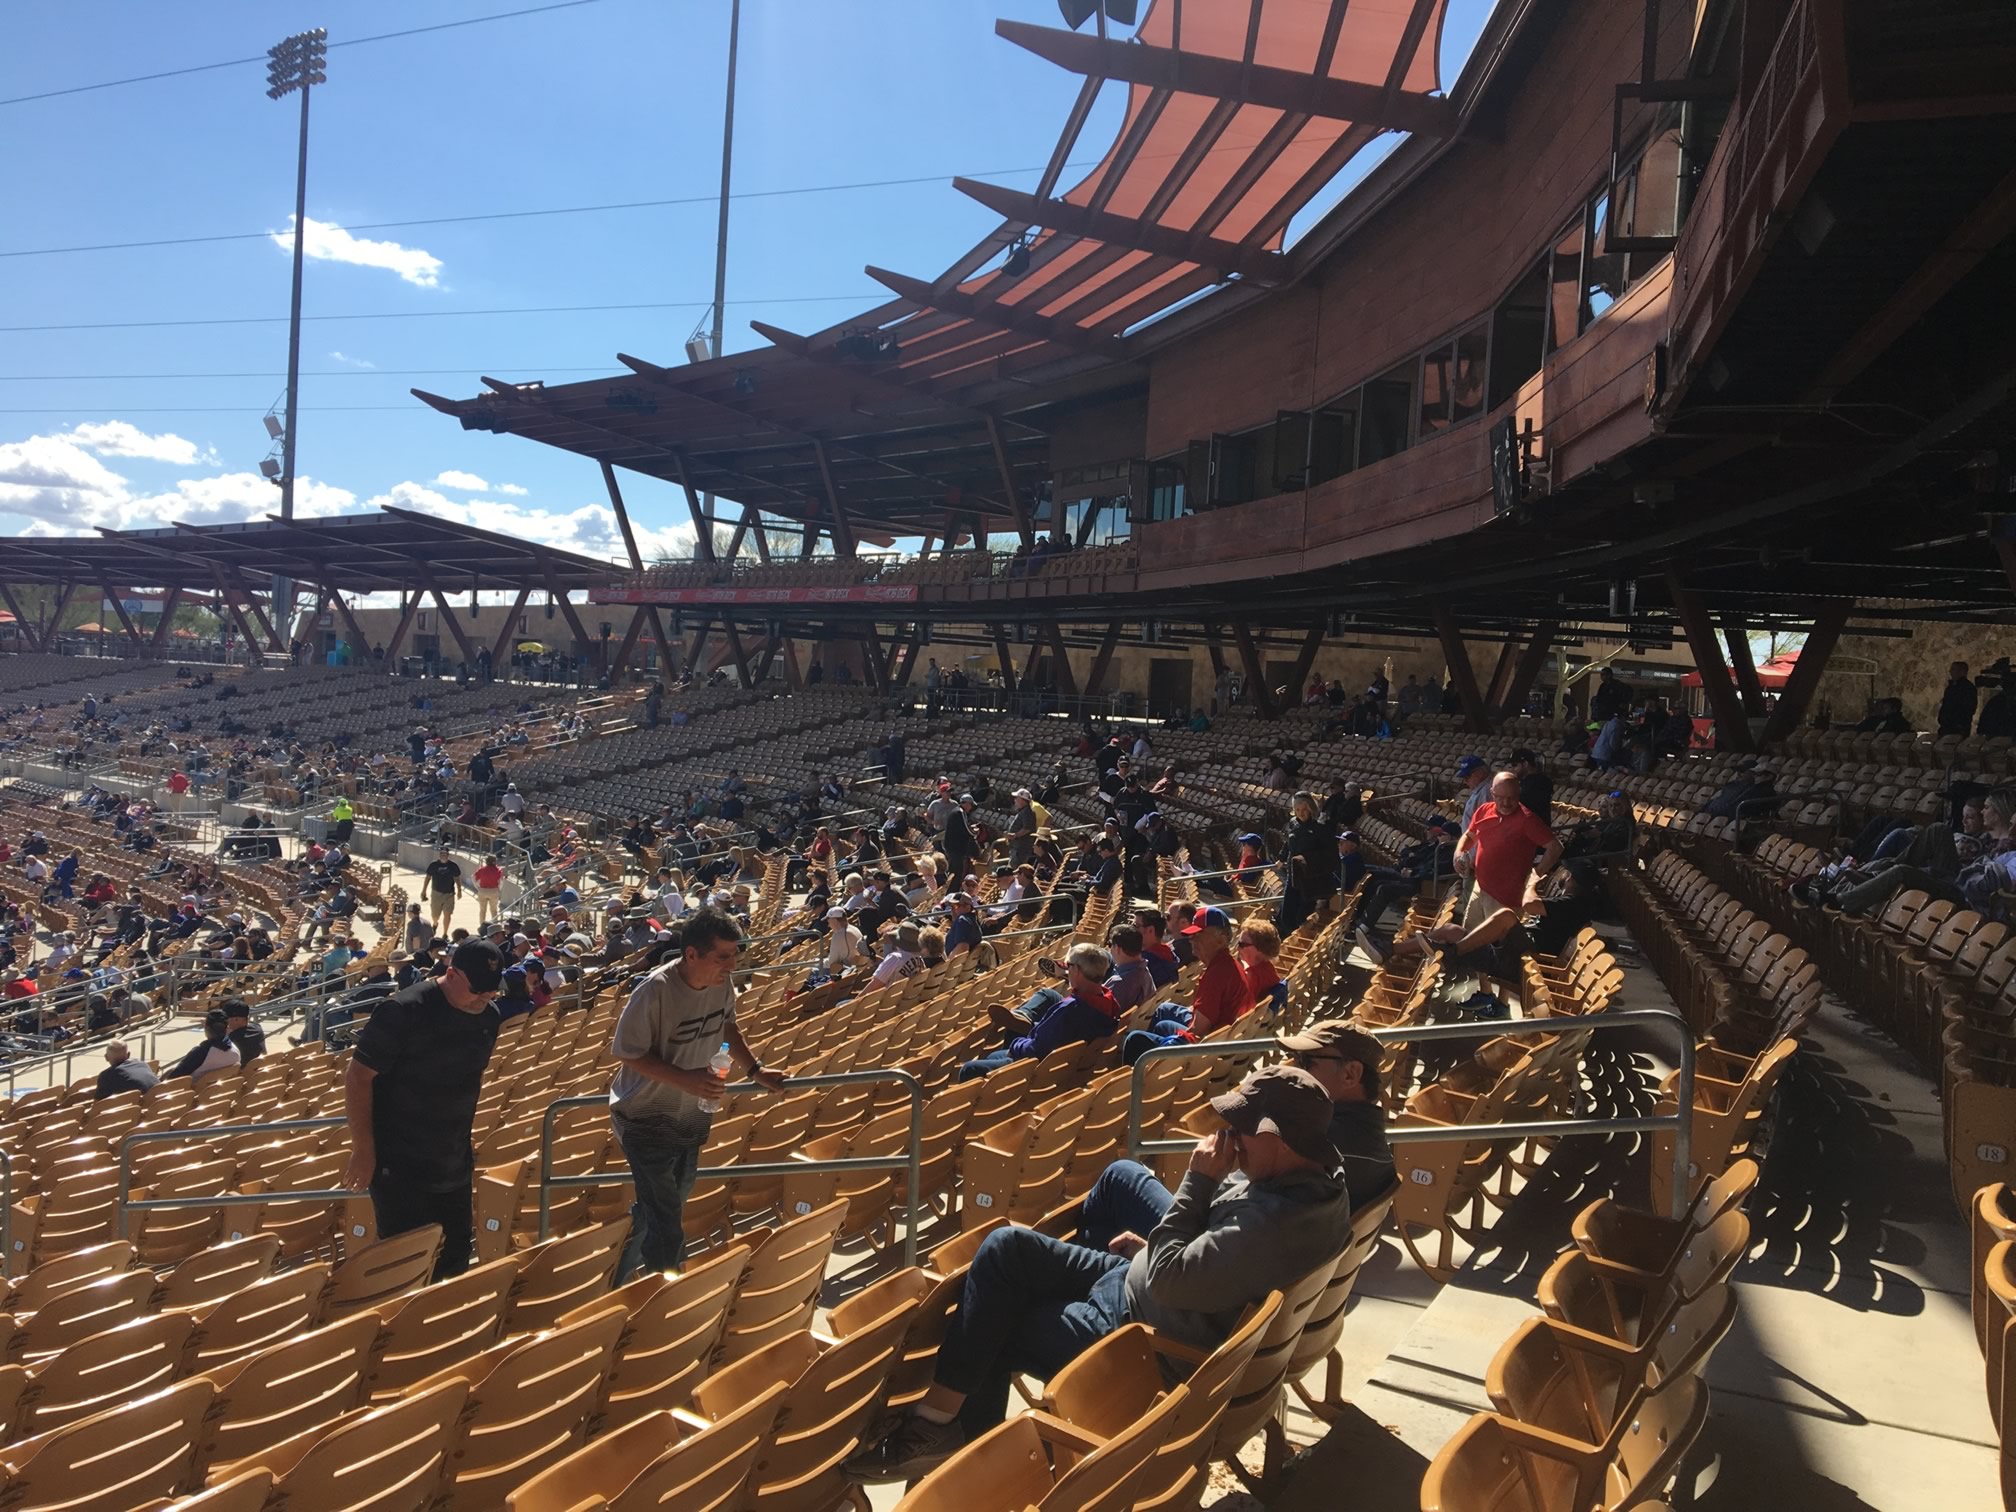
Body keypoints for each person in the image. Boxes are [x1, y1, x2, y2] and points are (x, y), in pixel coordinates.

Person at [846, 1065, 1354, 1474]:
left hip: (1141, 1342)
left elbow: (1174, 1274)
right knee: (1008, 1247)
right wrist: (1151, 1250)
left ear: (1278, 1137)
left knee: (991, 1326)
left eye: (1239, 1130)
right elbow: (1207, 1257)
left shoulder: (1272, 1226)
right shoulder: (1312, 1184)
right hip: (1146, 1287)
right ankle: (955, 1418)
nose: (1227, 1138)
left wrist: (1197, 1184)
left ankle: (958, 1446)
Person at [608, 908, 788, 1280]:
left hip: (691, 1116)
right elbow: (627, 1051)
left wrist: (755, 1070)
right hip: (644, 1118)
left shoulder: (722, 985)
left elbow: (727, 1027)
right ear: (692, 954)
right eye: (723, 956)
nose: (732, 964)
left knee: (661, 1207)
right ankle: (666, 1301)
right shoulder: (654, 991)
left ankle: (612, 1274)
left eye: (735, 954)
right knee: (667, 1220)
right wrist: (684, 1079)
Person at [342, 939, 508, 1282]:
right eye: (477, 990)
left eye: (491, 992)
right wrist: (363, 1148)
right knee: (405, 1261)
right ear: (451, 974)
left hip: (452, 1158)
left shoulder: (488, 1017)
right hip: (399, 1162)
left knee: (456, 1254)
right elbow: (359, 1077)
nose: (484, 999)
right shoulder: (404, 1011)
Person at [1276, 1019, 1396, 1207]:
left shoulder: (1316, 1146)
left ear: (1350, 1074)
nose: (1294, 1070)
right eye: (1296, 1059)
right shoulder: (1365, 1131)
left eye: (1306, 1062)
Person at [960, 942, 1120, 1079]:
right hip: (1067, 1059)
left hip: (1040, 1069)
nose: (1067, 970)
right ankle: (1027, 1023)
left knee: (971, 1069)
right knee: (994, 1055)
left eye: (1069, 966)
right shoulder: (1110, 1003)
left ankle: (1026, 1024)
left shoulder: (1069, 1009)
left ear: (1077, 970)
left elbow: (1035, 1050)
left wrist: (1016, 1045)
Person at [1122, 906, 1254, 1062]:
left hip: (1206, 1049)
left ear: (1221, 938)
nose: (1192, 940)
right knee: (1163, 1016)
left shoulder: (1218, 973)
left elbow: (1199, 1030)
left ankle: (1142, 1077)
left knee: (1134, 1039)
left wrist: (1171, 1041)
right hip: (1218, 1037)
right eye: (1191, 936)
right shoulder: (1225, 963)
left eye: (1199, 935)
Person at [1455, 771, 1561, 929]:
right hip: (1480, 887)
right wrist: (1458, 853)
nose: (1506, 803)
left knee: (1493, 946)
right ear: (1492, 793)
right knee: (1468, 938)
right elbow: (1470, 836)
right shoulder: (1483, 810)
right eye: (1500, 797)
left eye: (1511, 798)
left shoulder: (1527, 820)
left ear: (1519, 794)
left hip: (1505, 899)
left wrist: (1535, 874)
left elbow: (1555, 847)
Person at [167, 1008, 241, 1080]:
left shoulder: (201, 1052)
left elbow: (174, 1078)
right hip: (222, 1090)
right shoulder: (235, 1051)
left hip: (195, 1090)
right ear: (227, 1028)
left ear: (206, 1028)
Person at [423, 846, 462, 935]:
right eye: (442, 854)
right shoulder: (433, 865)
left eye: (445, 854)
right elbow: (428, 877)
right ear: (439, 854)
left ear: (448, 855)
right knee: (435, 915)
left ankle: (445, 933)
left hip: (449, 894)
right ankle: (435, 923)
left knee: (447, 914)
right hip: (436, 893)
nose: (443, 855)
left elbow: (457, 878)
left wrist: (459, 890)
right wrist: (424, 890)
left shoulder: (453, 866)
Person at [223, 998, 266, 1064]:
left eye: (225, 1018)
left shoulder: (233, 1039)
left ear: (236, 1019)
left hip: (241, 1073)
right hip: (257, 1069)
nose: (224, 1021)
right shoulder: (258, 1029)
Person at [1455, 755, 1491, 828]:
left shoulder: (1487, 791)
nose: (1465, 781)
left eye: (1467, 777)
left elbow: (1486, 825)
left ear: (1480, 773)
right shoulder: (1480, 789)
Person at [473, 855, 503, 925]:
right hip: (494, 890)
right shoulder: (498, 870)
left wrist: (477, 887)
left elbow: (473, 877)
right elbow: (501, 881)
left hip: (483, 890)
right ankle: (495, 925)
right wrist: (499, 889)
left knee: (482, 910)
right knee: (494, 910)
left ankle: (482, 925)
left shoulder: (482, 869)